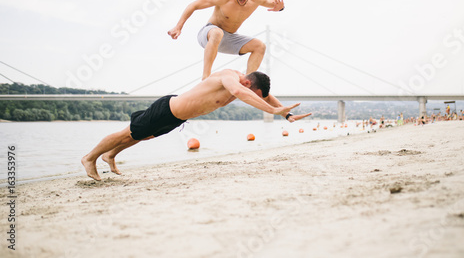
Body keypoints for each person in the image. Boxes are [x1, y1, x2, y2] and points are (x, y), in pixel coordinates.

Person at [81, 69, 311, 180]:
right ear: (249, 82)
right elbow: (240, 92)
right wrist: (272, 111)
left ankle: (109, 156)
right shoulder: (230, 78)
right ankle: (89, 158)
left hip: (176, 118)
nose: (255, 98)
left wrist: (287, 116)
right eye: (255, 94)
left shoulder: (247, 85)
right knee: (128, 132)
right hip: (167, 109)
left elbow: (266, 97)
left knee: (140, 136)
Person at [168, 0, 285, 80]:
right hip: (209, 34)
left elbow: (275, 4)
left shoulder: (257, 0)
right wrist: (178, 27)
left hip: (229, 38)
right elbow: (194, 5)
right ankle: (205, 78)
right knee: (218, 33)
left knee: (260, 46)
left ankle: (247, 82)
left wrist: (281, 7)